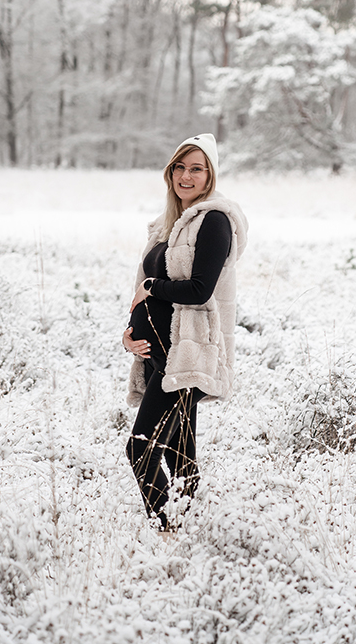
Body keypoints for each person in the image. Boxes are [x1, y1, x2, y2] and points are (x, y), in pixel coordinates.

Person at [122, 133, 248, 534]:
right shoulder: (167, 225)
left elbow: (199, 290)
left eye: (197, 169)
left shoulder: (214, 221)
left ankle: (168, 527)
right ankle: (189, 532)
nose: (186, 176)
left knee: (140, 447)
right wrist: (129, 334)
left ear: (210, 175)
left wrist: (153, 288)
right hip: (160, 353)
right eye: (180, 167)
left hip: (187, 356)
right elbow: (141, 292)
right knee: (179, 453)